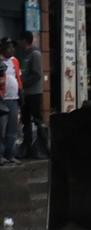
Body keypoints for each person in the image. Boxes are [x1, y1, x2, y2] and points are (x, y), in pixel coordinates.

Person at [16, 31, 47, 159]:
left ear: (25, 41)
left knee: (37, 120)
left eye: (20, 40)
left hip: (34, 93)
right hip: (25, 94)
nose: (18, 43)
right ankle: (28, 147)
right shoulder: (23, 54)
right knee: (26, 120)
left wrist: (23, 84)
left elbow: (37, 74)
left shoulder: (35, 54)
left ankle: (43, 147)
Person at [0, 48, 21, 165]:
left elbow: (18, 77)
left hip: (14, 98)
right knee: (1, 130)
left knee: (12, 129)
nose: (11, 49)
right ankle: (1, 155)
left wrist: (20, 92)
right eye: (7, 47)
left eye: (12, 47)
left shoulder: (15, 61)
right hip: (3, 100)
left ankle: (10, 154)